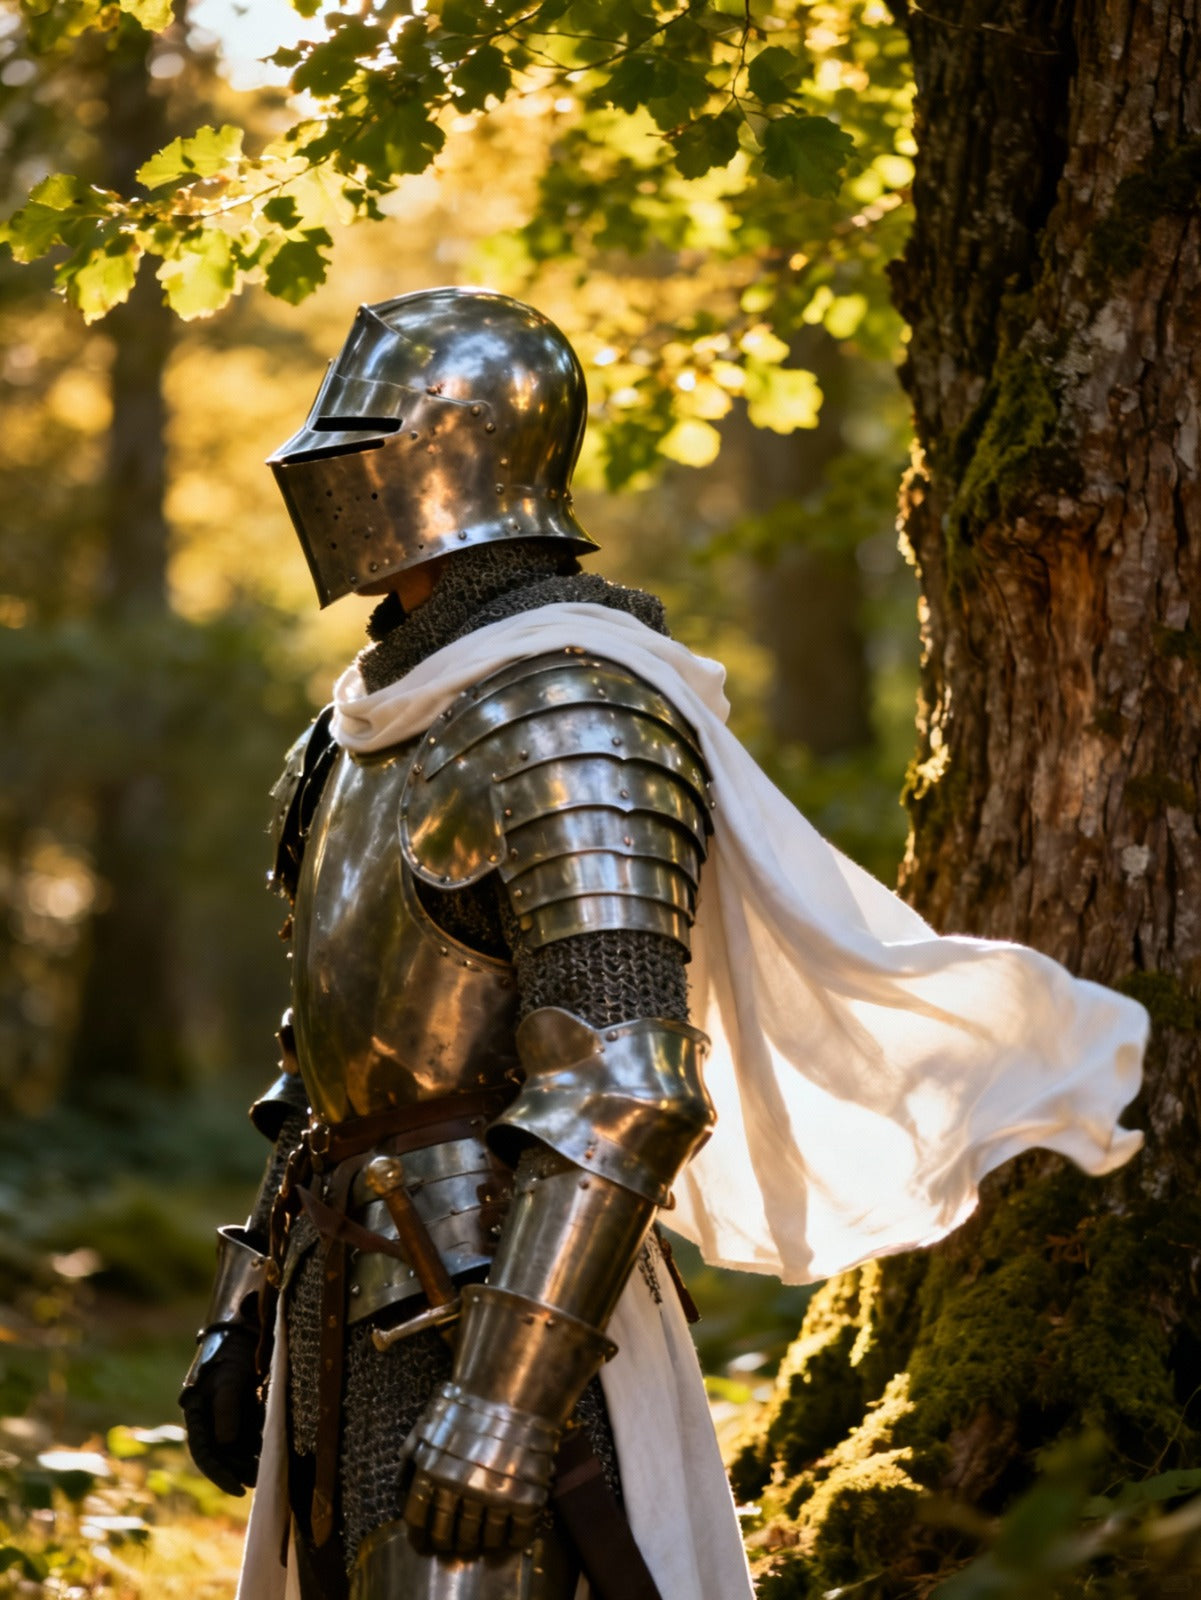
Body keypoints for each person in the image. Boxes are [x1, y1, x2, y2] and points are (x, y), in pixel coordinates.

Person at [180, 288, 1147, 1600]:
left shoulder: (571, 716)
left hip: (503, 1303)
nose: (327, 466)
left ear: (452, 447)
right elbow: (327, 1078)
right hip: (339, 1284)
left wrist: (508, 1405)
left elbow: (626, 1083)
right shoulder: (356, 731)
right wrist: (246, 1305)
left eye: (362, 432)